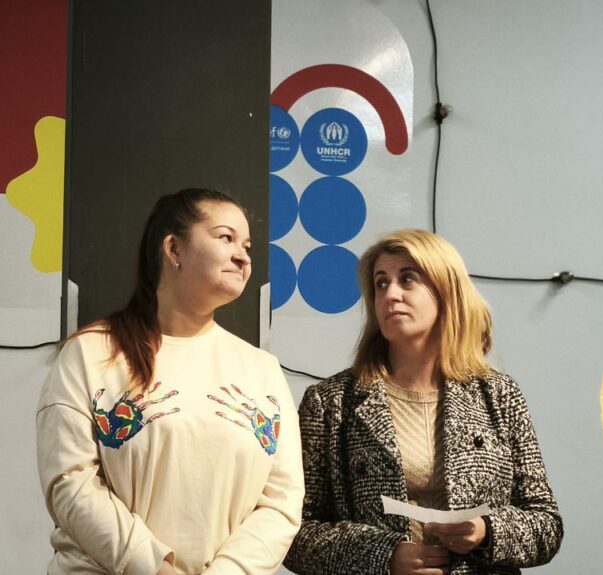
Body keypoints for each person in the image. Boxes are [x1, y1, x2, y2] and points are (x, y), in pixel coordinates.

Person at [36, 188, 304, 574]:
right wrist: (155, 567)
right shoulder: (90, 353)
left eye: (247, 246)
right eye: (226, 238)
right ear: (174, 248)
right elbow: (71, 482)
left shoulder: (263, 369)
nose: (243, 256)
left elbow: (281, 502)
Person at [284, 229, 562, 575]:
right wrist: (383, 556)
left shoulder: (499, 394)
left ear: (446, 291)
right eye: (381, 283)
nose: (390, 294)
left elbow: (546, 525)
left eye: (407, 279)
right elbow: (294, 534)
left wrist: (486, 531)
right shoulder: (331, 402)